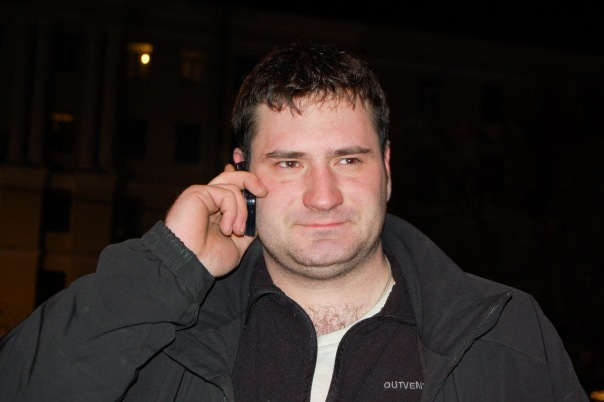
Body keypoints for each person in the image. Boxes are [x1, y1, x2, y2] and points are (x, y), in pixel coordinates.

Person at [0, 42, 588, 402]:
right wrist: (168, 268)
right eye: (289, 163)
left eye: (348, 160)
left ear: (386, 170)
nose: (323, 196)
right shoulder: (165, 332)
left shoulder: (506, 334)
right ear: (240, 174)